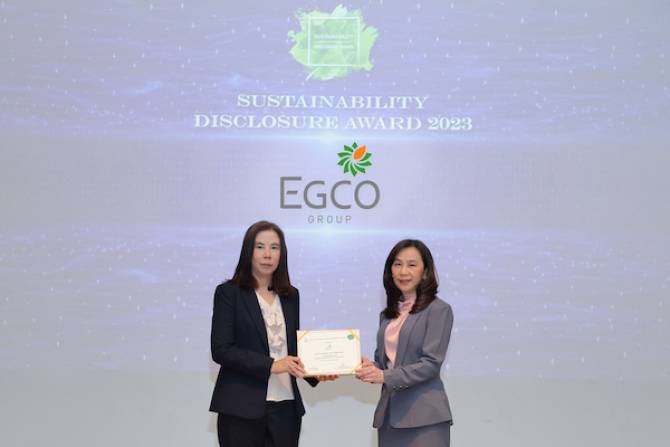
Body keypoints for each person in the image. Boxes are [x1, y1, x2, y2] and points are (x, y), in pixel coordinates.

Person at [209, 220, 334, 447]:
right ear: (248, 251)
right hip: (241, 407)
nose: (267, 254)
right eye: (260, 247)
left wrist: (315, 371)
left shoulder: (290, 295)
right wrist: (272, 365)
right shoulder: (229, 293)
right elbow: (222, 350)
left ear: (281, 254)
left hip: (286, 407)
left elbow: (291, 349)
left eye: (274, 248)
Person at [356, 239, 454, 446]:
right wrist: (367, 367)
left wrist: (384, 375)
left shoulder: (438, 310)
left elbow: (430, 364)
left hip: (425, 418)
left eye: (412, 265)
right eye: (397, 264)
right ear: (390, 270)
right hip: (389, 417)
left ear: (425, 272)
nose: (403, 271)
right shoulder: (388, 314)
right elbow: (385, 364)